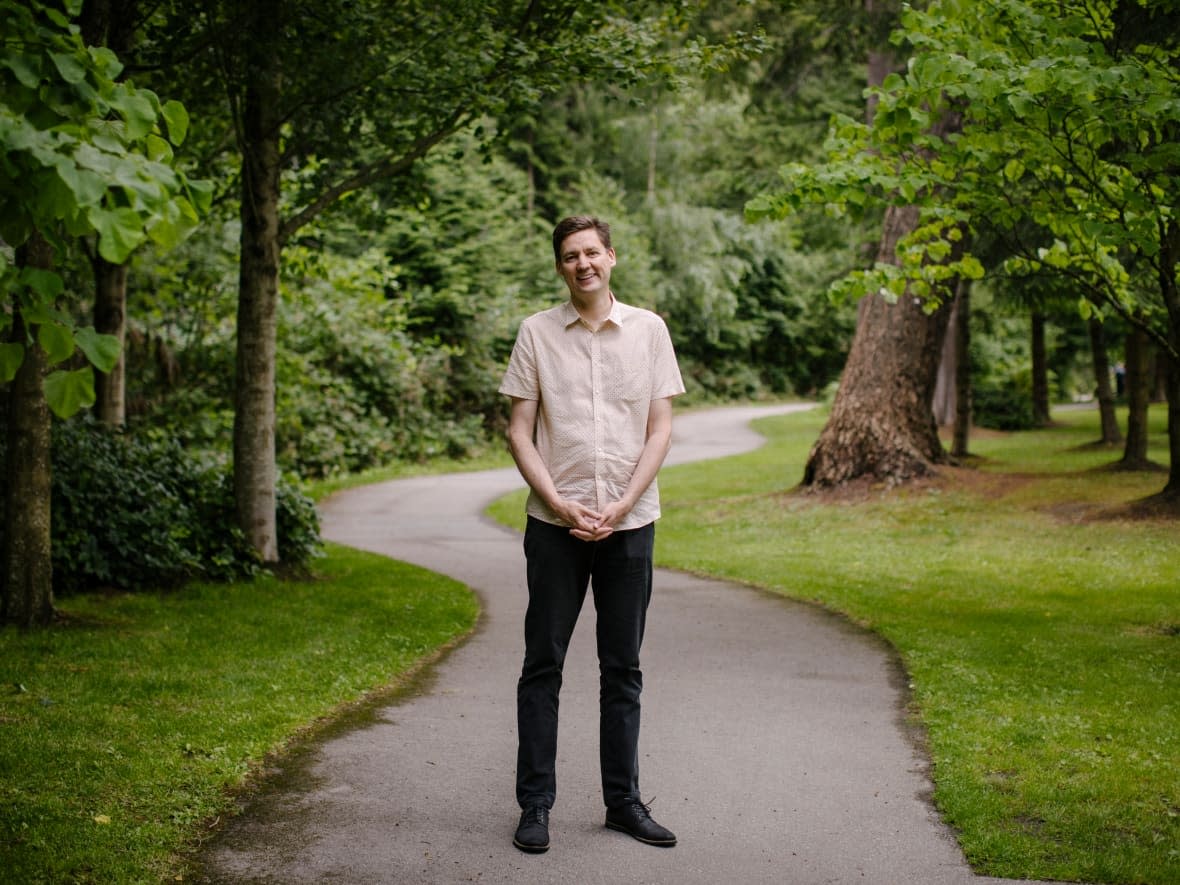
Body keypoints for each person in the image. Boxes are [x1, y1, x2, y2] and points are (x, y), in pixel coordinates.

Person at [499, 216, 685, 854]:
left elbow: (659, 428)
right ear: (560, 267)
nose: (583, 264)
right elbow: (519, 429)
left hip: (630, 527)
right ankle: (535, 806)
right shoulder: (537, 333)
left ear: (612, 257)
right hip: (554, 527)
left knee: (622, 668)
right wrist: (558, 500)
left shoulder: (650, 331)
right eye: (570, 256)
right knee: (542, 665)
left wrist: (624, 501)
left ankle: (623, 803)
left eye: (592, 253)